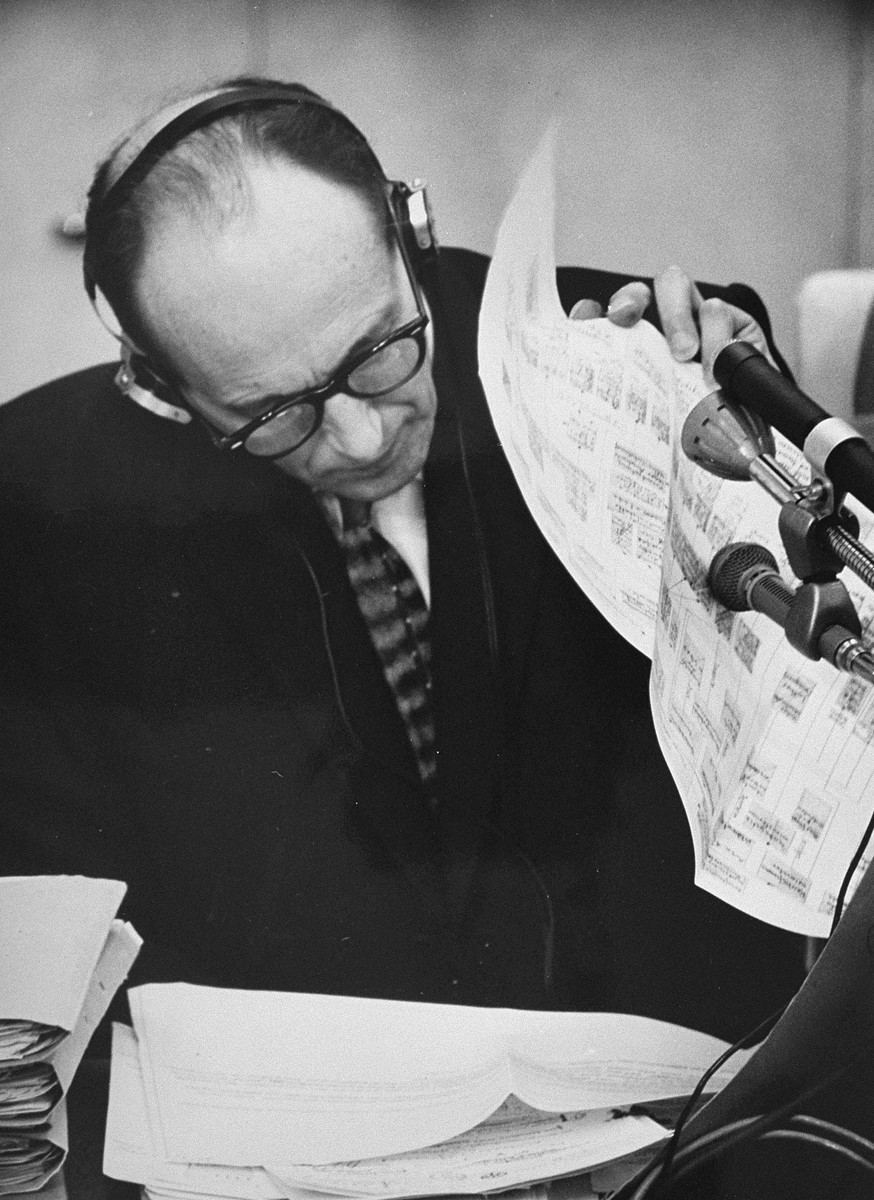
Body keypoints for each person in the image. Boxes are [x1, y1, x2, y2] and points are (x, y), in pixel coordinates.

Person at [0, 77, 804, 1038]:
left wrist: (752, 447)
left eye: (379, 350)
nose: (360, 437)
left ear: (409, 234)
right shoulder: (41, 504)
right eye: (271, 413)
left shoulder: (628, 351)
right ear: (162, 389)